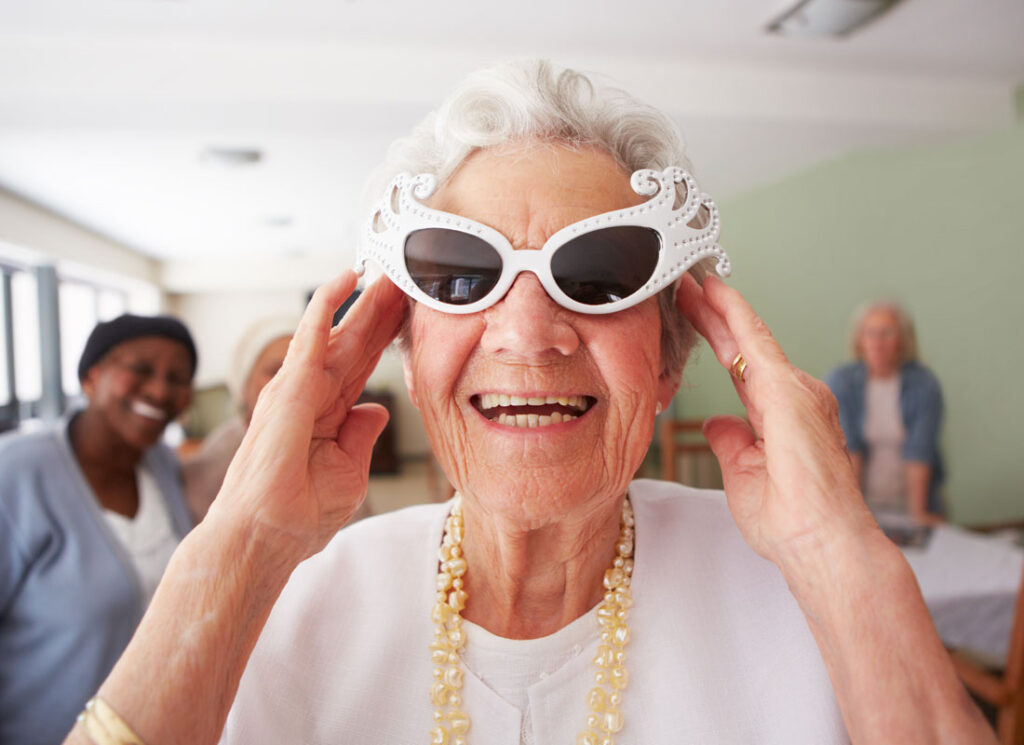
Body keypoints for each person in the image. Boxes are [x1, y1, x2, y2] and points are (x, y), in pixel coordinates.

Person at [63, 61, 994, 745]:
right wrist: (242, 546)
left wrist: (844, 562)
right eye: (463, 274)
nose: (527, 332)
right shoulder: (286, 608)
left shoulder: (806, 598)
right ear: (406, 342)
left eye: (598, 273)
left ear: (675, 354)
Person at [0, 314, 197, 744]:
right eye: (141, 370)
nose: (160, 389)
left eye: (177, 378)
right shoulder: (15, 473)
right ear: (91, 377)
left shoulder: (163, 464)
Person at [826, 301, 945, 525]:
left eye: (886, 333)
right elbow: (849, 451)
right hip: (863, 503)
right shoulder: (841, 382)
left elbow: (919, 453)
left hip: (912, 503)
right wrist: (853, 514)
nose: (877, 342)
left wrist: (917, 517)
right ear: (859, 339)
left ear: (903, 340)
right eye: (870, 333)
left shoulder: (924, 385)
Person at [182, 316, 297, 521]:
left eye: (303, 368)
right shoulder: (215, 462)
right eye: (275, 370)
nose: (293, 379)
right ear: (244, 385)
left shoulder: (325, 443)